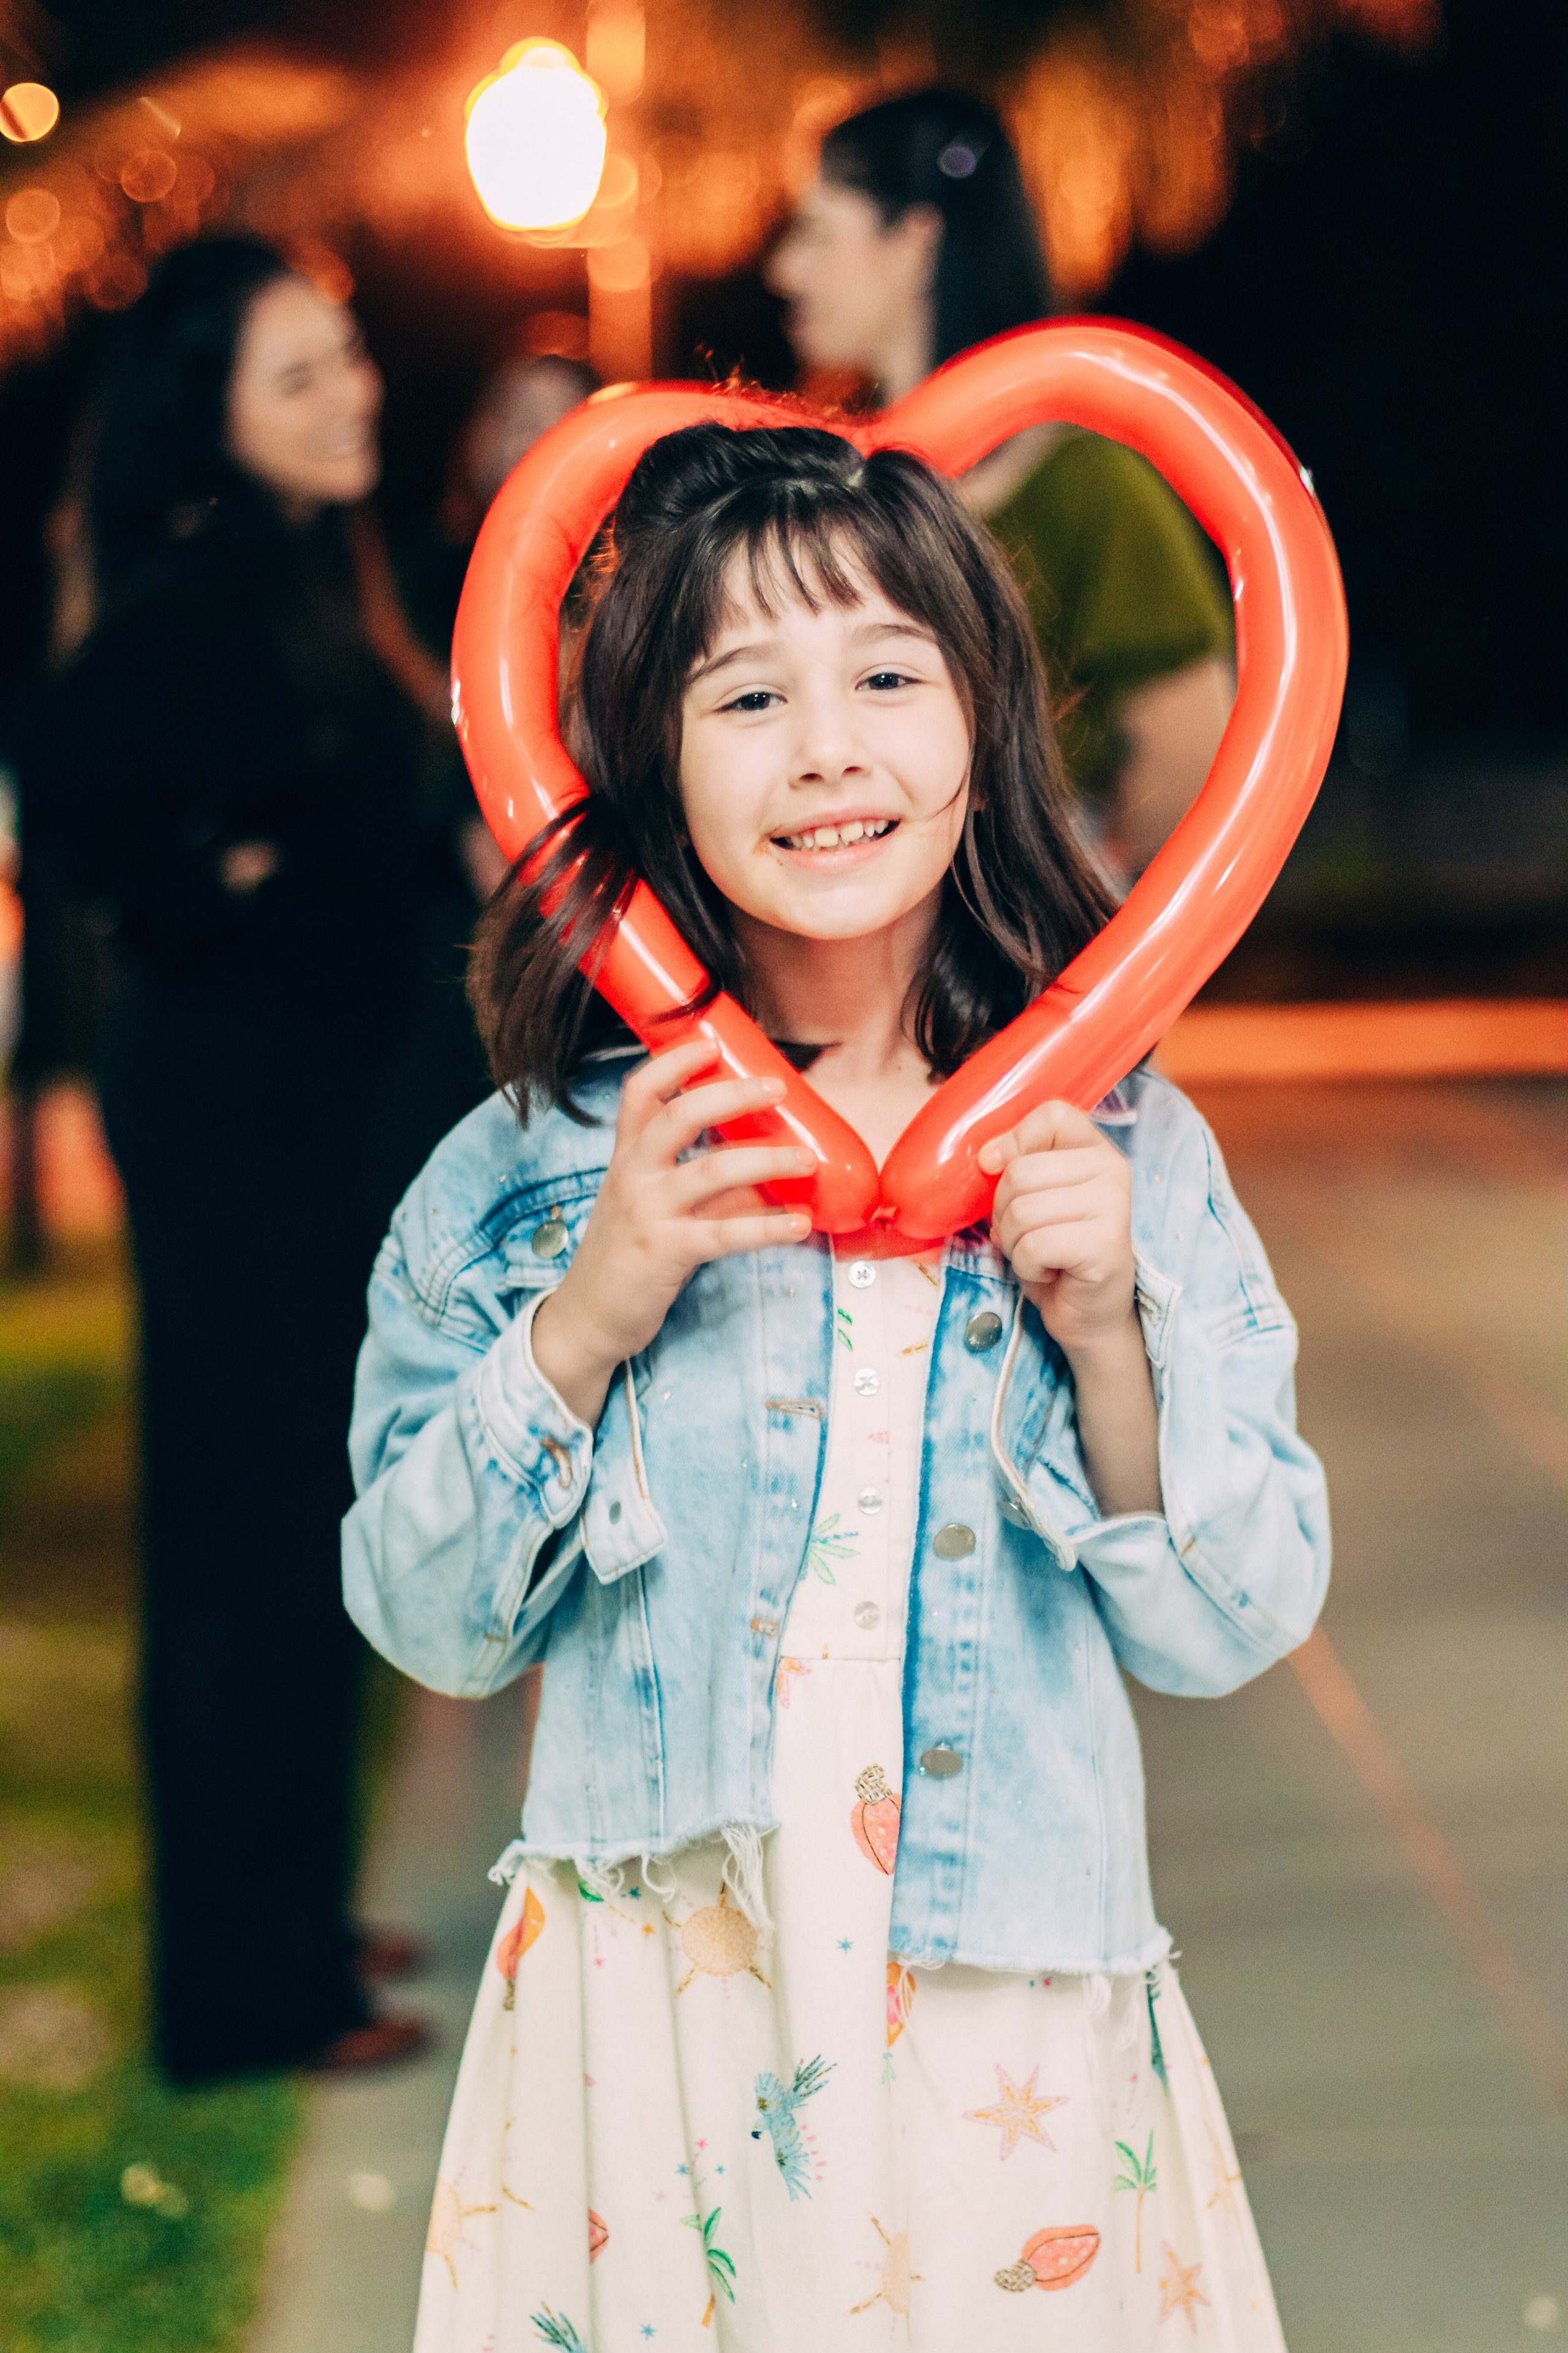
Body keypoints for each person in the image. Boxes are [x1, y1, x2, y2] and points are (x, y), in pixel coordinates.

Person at [345, 421, 1328, 2347]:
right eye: (747, 693)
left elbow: (1240, 1615)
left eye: (889, 673)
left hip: (1000, 2033)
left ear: (985, 721)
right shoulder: (539, 1171)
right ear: (645, 762)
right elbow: (422, 1618)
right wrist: (591, 1309)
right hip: (666, 2026)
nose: (827, 748)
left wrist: (1108, 1325)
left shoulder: (1123, 1149)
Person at [31, 236, 452, 2080]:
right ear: (209, 421)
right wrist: (245, 884)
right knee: (247, 1551)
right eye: (298, 379)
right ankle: (244, 1990)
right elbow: (90, 831)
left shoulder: (305, 574)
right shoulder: (194, 595)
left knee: (297, 1537)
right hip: (241, 1135)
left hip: (309, 1124)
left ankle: (283, 1918)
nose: (350, 393)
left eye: (345, 356)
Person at [767, 89, 1237, 879]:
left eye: (815, 231)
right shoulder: (826, 477)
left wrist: (1065, 923)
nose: (782, 268)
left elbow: (1188, 752)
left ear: (917, 243)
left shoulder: (1090, 484)